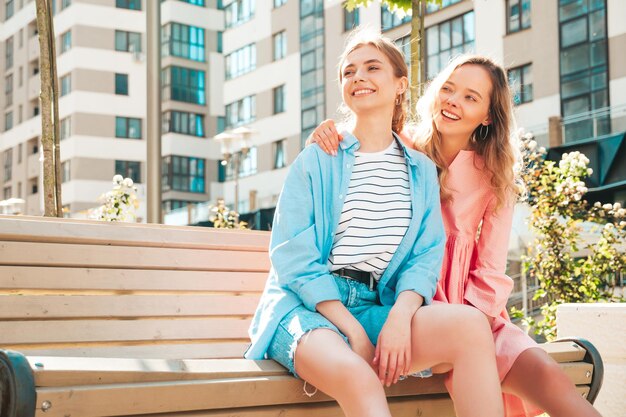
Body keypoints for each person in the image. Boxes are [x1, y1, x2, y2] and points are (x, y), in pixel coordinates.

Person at [307, 53, 603, 417]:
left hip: (473, 310)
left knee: (550, 378)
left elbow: (492, 271)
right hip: (403, 303)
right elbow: (357, 137)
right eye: (448, 89)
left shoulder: (494, 173)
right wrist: (329, 131)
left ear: (488, 116)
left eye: (470, 97)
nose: (453, 101)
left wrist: (472, 327)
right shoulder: (403, 146)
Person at [245, 33, 505, 417]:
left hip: (378, 307)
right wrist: (352, 331)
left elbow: (425, 255)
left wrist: (401, 318)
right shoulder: (318, 158)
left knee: (470, 327)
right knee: (359, 375)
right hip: (305, 310)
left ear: (401, 85)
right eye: (348, 71)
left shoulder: (419, 169)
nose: (358, 77)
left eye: (372, 68)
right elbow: (293, 258)